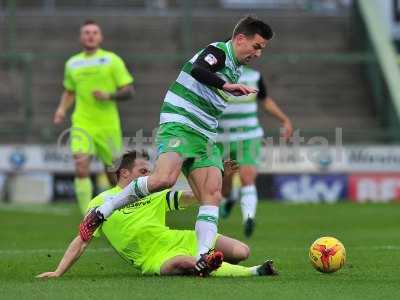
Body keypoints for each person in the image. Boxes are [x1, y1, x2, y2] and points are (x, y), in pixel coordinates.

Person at [79, 16, 274, 275]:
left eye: (262, 49)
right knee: (163, 179)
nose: (258, 53)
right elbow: (199, 70)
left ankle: (203, 257)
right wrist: (226, 85)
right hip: (180, 123)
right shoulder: (218, 52)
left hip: (204, 134)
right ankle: (103, 211)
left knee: (212, 193)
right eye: (257, 46)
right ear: (240, 39)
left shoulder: (236, 67)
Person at [36, 151, 278, 278]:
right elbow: (82, 239)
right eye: (143, 170)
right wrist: (59, 271)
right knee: (185, 261)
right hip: (153, 258)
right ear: (124, 174)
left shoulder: (154, 193)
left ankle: (207, 264)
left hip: (178, 239)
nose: (149, 176)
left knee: (241, 251)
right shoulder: (101, 202)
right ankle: (254, 272)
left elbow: (197, 197)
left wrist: (217, 177)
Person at [53, 20, 134, 214]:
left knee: (113, 173)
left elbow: (129, 90)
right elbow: (70, 91)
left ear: (100, 37)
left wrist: (109, 95)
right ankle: (86, 217)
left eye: (94, 32)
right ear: (81, 37)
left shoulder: (111, 60)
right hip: (82, 122)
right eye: (86, 32)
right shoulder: (72, 63)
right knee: (81, 164)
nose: (90, 35)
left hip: (108, 125)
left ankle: (120, 212)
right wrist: (61, 109)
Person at [217, 66, 293, 237]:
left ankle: (248, 218)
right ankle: (229, 199)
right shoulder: (216, 76)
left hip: (249, 136)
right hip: (220, 139)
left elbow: (265, 100)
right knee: (225, 185)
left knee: (247, 177)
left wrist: (284, 120)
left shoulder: (254, 76)